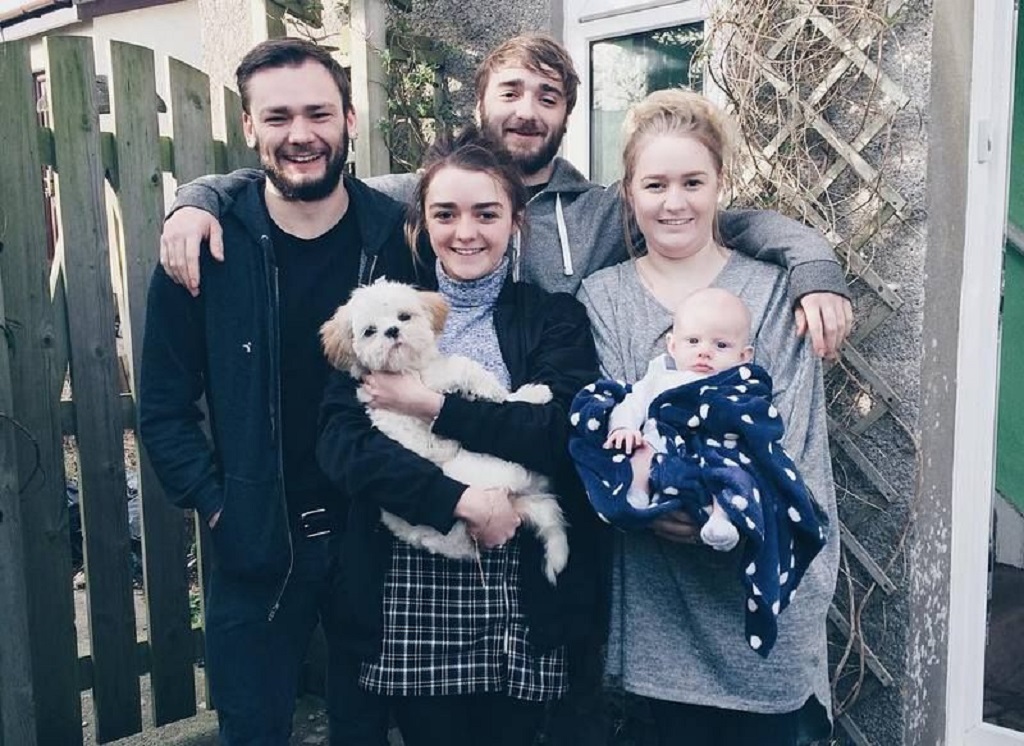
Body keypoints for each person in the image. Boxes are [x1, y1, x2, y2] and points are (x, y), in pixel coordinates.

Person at [157, 34, 853, 361]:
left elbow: (725, 219)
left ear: (567, 115)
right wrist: (201, 198)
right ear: (481, 100)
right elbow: (313, 181)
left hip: (551, 441)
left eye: (547, 98)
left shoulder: (604, 210)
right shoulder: (420, 194)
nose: (527, 111)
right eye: (511, 93)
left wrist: (815, 271)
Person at [138, 38, 426, 746]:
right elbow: (162, 406)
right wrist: (214, 501)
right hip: (256, 536)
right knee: (255, 727)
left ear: (350, 120)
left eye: (319, 113)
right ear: (248, 129)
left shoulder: (394, 238)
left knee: (370, 728)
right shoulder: (206, 244)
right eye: (278, 117)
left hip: (373, 530)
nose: (301, 135)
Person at [313, 127, 604, 746]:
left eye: (486, 213)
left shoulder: (553, 318)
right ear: (422, 223)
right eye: (445, 214)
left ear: (516, 222)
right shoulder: (379, 312)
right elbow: (344, 447)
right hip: (410, 575)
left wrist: (432, 406)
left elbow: (561, 432)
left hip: (522, 580)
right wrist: (455, 499)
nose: (465, 231)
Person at [576, 88, 839, 744]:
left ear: (720, 184)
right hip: (655, 630)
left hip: (764, 626)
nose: (674, 202)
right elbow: (617, 431)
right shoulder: (605, 297)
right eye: (654, 183)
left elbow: (797, 444)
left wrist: (741, 514)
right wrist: (658, 502)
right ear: (628, 192)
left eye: (693, 181)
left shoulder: (776, 292)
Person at [603, 287, 755, 550]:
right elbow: (632, 404)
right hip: (663, 446)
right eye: (693, 341)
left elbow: (751, 427)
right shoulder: (660, 377)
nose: (704, 352)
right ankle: (637, 493)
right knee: (640, 451)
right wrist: (623, 428)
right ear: (672, 345)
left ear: (744, 357)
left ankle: (722, 518)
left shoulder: (738, 386)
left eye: (720, 345)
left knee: (734, 472)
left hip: (710, 452)